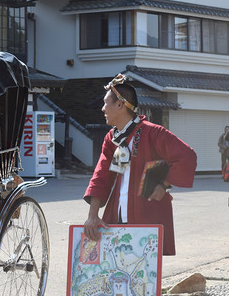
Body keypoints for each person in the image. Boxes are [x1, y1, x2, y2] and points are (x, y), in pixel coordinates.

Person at [83, 73, 197, 256]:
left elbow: (187, 157)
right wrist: (92, 215)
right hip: (117, 216)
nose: (103, 109)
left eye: (106, 103)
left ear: (120, 104)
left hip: (149, 213)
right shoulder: (111, 139)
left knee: (145, 277)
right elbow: (102, 175)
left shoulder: (154, 133)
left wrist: (164, 184)